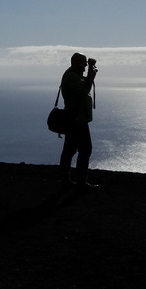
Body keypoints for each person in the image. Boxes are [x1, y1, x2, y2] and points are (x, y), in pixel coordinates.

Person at [59, 52, 98, 188]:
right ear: (76, 63)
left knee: (70, 149)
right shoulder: (72, 77)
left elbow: (83, 85)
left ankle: (65, 178)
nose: (86, 65)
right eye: (84, 63)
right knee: (85, 149)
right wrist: (91, 76)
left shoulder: (73, 75)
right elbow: (83, 92)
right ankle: (80, 180)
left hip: (75, 118)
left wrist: (89, 72)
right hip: (77, 119)